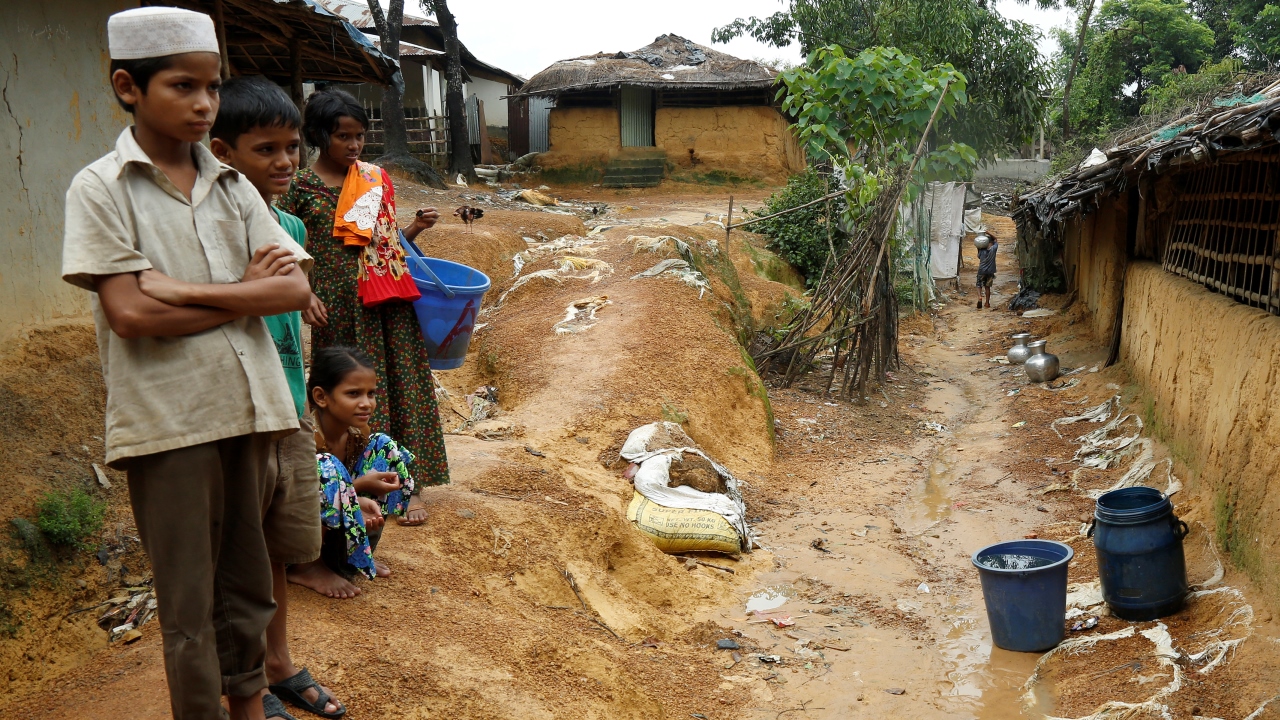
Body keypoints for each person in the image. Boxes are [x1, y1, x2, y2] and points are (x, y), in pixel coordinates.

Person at [61, 8, 312, 720]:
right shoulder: (101, 188)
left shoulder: (233, 185)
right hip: (170, 420)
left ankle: (250, 709)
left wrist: (184, 290)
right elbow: (131, 315)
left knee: (248, 586)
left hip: (252, 409)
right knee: (189, 604)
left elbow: (293, 291)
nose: (205, 103)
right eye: (183, 86)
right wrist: (242, 294)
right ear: (128, 87)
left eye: (213, 86)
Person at [209, 76, 345, 720]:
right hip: (239, 410)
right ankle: (243, 682)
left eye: (292, 147)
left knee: (276, 546)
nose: (286, 161)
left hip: (288, 403)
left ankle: (279, 661)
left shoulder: (289, 225)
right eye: (266, 149)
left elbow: (288, 312)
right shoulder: (213, 230)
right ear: (223, 152)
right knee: (237, 554)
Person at [277, 89, 448, 536]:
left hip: (387, 301)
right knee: (345, 398)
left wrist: (415, 228)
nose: (354, 145)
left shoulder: (372, 178)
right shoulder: (299, 188)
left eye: (359, 136)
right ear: (320, 136)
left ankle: (407, 485)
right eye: (343, 136)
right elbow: (284, 246)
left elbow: (384, 243)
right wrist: (303, 294)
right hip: (338, 309)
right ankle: (352, 486)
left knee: (400, 386)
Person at [297, 347, 416, 583]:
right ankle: (307, 566)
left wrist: (355, 494)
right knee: (326, 464)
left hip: (334, 514)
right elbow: (300, 494)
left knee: (384, 446)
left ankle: (359, 554)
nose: (366, 403)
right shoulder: (306, 437)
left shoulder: (357, 433)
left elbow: (341, 487)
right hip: (296, 531)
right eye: (353, 394)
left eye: (371, 393)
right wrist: (357, 489)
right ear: (321, 397)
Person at [976, 231, 999, 310]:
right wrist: (988, 233)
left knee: (979, 285)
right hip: (990, 271)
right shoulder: (994, 249)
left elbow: (979, 257)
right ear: (991, 243)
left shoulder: (982, 250)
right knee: (987, 287)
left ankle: (979, 297)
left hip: (981, 271)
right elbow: (995, 239)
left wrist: (978, 248)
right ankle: (987, 303)